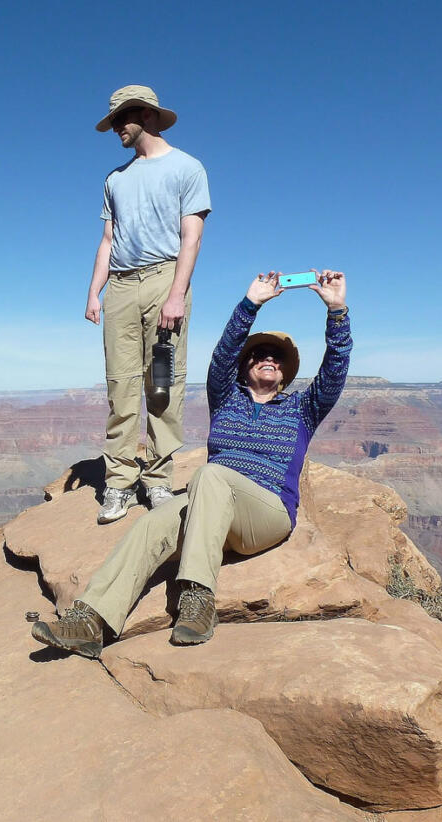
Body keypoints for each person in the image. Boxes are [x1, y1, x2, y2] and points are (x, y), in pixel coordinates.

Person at [35, 270, 351, 655]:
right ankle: (90, 622)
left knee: (212, 474)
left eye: (276, 357)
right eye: (258, 354)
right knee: (150, 527)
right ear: (244, 367)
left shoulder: (302, 409)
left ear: (286, 373)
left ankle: (198, 599)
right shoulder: (227, 398)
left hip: (265, 515)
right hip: (212, 511)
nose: (267, 359)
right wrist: (250, 304)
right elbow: (222, 356)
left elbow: (335, 369)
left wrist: (336, 310)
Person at [86, 85, 212, 522]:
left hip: (164, 278)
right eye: (115, 120)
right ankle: (119, 483)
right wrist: (94, 292)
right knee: (120, 387)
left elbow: (191, 237)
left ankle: (158, 480)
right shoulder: (114, 179)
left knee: (162, 385)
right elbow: (107, 240)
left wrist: (177, 294)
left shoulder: (187, 168)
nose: (118, 127)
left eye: (124, 117)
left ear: (148, 116)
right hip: (120, 286)